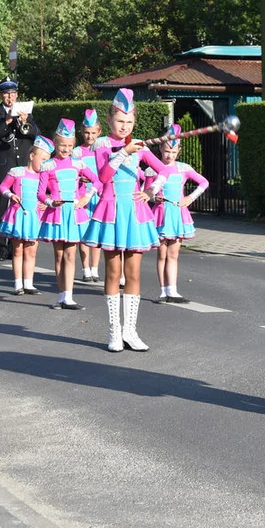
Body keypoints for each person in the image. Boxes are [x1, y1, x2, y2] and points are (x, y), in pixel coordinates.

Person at [83, 89, 165, 352]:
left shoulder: (139, 145)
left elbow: (164, 171)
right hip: (111, 211)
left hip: (135, 212)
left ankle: (130, 331)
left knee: (133, 272)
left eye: (129, 122)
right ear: (109, 120)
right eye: (120, 121)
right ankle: (114, 332)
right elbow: (104, 177)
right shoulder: (102, 145)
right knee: (113, 272)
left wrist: (151, 191)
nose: (124, 126)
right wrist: (124, 152)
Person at [38, 120, 99, 310]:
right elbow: (40, 193)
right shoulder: (47, 165)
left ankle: (69, 297)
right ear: (55, 144)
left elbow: (97, 181)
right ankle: (61, 295)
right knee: (58, 255)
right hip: (56, 213)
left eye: (70, 146)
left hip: (74, 213)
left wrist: (86, 197)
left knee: (71, 255)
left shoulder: (78, 163)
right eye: (62, 145)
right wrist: (49, 201)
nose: (66, 149)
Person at [147, 124, 209, 303]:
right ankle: (162, 291)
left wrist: (190, 198)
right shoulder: (152, 169)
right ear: (160, 148)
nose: (169, 155)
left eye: (173, 152)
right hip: (160, 215)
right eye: (167, 151)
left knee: (173, 255)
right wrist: (153, 199)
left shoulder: (184, 168)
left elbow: (204, 182)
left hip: (178, 215)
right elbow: (146, 191)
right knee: (162, 254)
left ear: (179, 151)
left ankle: (173, 291)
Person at [0, 76, 40, 260]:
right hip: (3, 166)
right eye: (7, 94)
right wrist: (7, 122)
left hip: (22, 165)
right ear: (1, 95)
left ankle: (14, 243)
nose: (11, 97)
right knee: (1, 208)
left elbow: (35, 134)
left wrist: (26, 122)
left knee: (19, 206)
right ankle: (1, 248)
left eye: (13, 93)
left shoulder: (26, 112)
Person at [0, 136, 54, 297]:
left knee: (31, 251)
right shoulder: (17, 172)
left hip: (35, 217)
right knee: (17, 251)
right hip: (18, 216)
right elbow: (3, 186)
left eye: (47, 161)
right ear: (31, 156)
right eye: (42, 159)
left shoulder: (45, 177)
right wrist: (11, 195)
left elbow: (53, 191)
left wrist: (47, 202)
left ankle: (29, 283)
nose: (44, 164)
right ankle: (18, 284)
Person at [73, 108, 103, 283]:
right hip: (83, 197)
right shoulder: (77, 152)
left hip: (98, 197)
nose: (89, 137)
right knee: (84, 233)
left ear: (99, 132)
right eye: (86, 133)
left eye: (93, 133)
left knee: (97, 232)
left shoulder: (102, 150)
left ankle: (95, 268)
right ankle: (85, 269)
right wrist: (79, 178)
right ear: (81, 132)